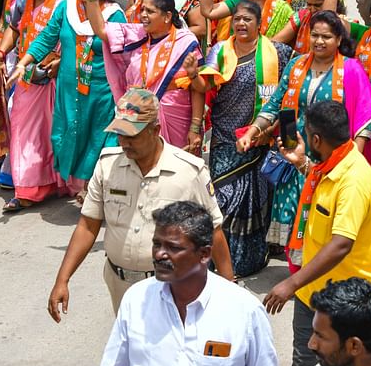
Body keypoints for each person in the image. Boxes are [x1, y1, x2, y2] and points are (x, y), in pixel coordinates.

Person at [47, 89, 233, 316]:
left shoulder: (189, 171)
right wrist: (62, 279)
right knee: (131, 348)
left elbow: (214, 232)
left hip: (172, 286)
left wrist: (229, 292)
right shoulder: (108, 165)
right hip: (120, 285)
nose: (124, 142)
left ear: (155, 130)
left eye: (131, 135)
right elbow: (88, 225)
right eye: (119, 134)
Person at [262, 99, 371, 366]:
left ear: (317, 139)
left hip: (346, 304)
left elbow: (341, 243)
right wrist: (302, 162)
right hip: (313, 292)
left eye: (308, 134)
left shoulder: (353, 180)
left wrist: (290, 284)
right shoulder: (331, 165)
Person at [91, 201, 276, 366]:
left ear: (204, 254)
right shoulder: (136, 300)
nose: (160, 254)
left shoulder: (244, 310)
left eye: (173, 248)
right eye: (157, 244)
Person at [244, 11, 371, 248]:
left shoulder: (352, 69)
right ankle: (295, 274)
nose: (319, 41)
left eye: (326, 36)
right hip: (293, 151)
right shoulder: (296, 65)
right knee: (292, 212)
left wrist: (353, 160)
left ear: (338, 40)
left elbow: (365, 117)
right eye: (314, 35)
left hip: (329, 158)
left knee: (320, 214)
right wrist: (252, 131)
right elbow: (275, 102)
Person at [191, 1, 293, 277]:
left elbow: (289, 94)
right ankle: (222, 262)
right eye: (237, 19)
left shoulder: (280, 53)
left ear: (259, 22)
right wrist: (192, 73)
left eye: (247, 19)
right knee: (223, 198)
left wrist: (284, 135)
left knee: (254, 196)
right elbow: (203, 85)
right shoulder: (219, 50)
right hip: (225, 138)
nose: (241, 24)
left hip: (261, 140)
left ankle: (249, 258)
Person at [11, 0, 123, 199]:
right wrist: (23, 62)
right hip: (68, 89)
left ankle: (91, 188)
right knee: (64, 137)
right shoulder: (67, 7)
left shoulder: (114, 15)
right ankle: (81, 185)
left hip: (99, 91)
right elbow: (48, 37)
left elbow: (123, 56)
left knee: (96, 140)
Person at [76, 0, 203, 147]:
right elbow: (101, 29)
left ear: (167, 16)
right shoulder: (137, 34)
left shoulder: (185, 42)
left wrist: (194, 128)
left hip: (174, 117)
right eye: (142, 9)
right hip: (136, 115)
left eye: (150, 12)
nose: (143, 15)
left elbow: (197, 89)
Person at [0, 0, 66, 213]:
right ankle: (26, 190)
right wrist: (2, 53)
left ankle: (54, 182)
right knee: (24, 130)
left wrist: (60, 61)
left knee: (52, 134)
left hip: (56, 76)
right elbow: (14, 28)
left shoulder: (65, 0)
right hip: (27, 76)